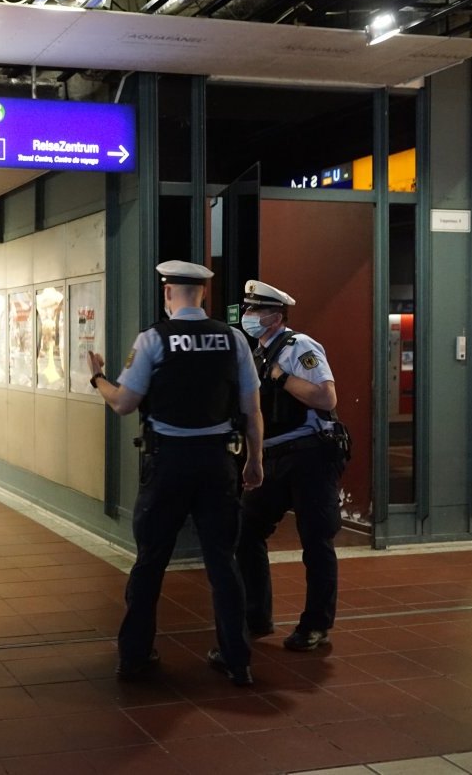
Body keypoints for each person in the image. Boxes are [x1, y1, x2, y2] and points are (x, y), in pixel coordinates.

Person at [87, 260, 263, 687]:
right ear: (203, 294)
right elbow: (251, 409)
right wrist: (254, 461)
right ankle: (236, 659)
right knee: (223, 561)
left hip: (168, 463)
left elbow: (125, 402)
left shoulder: (153, 340)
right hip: (217, 461)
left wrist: (97, 377)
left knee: (150, 561)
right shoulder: (234, 339)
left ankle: (135, 656)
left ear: (168, 293)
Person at [235, 280, 343, 653]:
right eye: (247, 309)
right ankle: (256, 615)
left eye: (255, 310)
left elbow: (326, 396)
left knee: (316, 541)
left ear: (275, 315)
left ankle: (315, 626)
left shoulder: (301, 347)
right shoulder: (256, 350)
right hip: (274, 456)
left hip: (310, 455)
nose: (248, 316)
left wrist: (282, 376)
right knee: (246, 533)